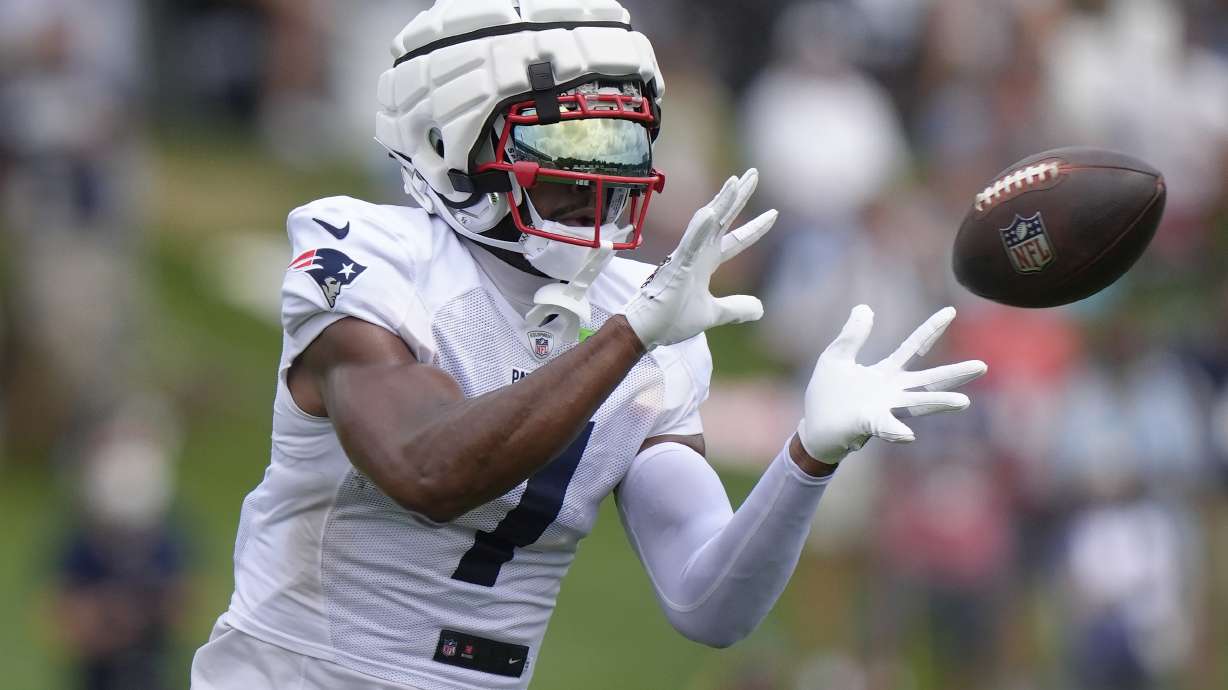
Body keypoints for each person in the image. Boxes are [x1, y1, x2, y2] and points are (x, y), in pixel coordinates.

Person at [190, 2, 987, 689]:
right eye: (568, 145)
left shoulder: (643, 318)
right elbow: (425, 469)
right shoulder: (374, 252)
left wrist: (806, 460)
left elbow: (708, 602)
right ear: (448, 140)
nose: (598, 176)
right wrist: (627, 337)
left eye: (619, 142)